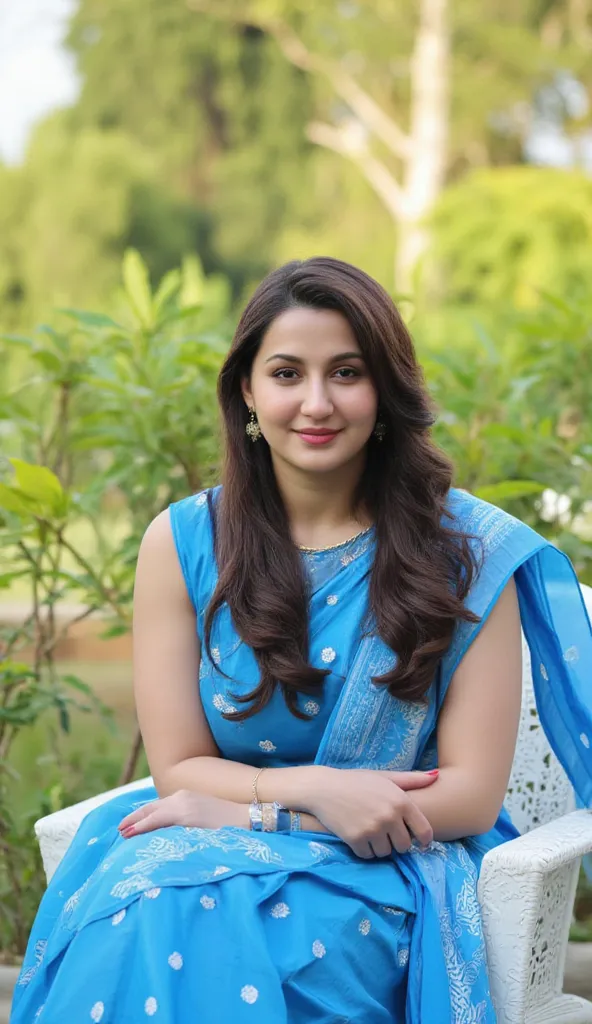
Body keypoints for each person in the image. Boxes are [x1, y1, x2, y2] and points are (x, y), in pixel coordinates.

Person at [11, 257, 592, 1024]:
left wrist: (261, 818)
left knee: (182, 913)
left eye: (346, 372)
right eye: (287, 373)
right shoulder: (184, 542)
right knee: (151, 901)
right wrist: (299, 796)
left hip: (386, 874)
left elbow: (470, 796)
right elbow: (179, 763)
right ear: (247, 392)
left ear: (384, 390)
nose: (316, 403)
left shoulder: (468, 554)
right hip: (201, 853)